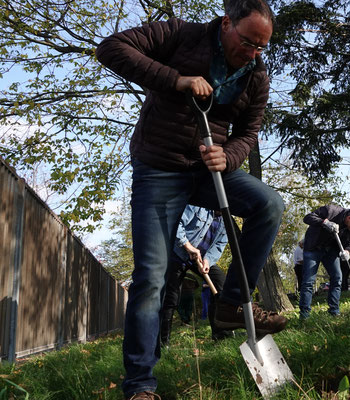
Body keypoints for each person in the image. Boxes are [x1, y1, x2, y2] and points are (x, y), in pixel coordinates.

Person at [95, 1, 285, 398]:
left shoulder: (256, 74)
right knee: (151, 278)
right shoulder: (181, 34)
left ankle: (231, 305)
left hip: (207, 170)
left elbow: (249, 133)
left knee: (268, 204)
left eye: (260, 47)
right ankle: (140, 385)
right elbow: (111, 48)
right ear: (227, 23)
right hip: (159, 169)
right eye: (247, 42)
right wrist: (177, 79)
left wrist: (228, 155)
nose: (252, 53)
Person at [159, 205, 233, 347]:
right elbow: (176, 223)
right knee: (171, 296)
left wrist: (208, 261)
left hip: (201, 258)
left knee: (220, 284)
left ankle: (220, 334)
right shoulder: (198, 207)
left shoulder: (225, 221)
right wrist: (188, 247)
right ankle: (163, 342)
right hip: (178, 253)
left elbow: (219, 245)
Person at [299, 206, 350, 319]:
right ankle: (304, 315)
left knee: (337, 278)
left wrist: (347, 251)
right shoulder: (331, 211)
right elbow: (307, 218)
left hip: (331, 250)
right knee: (308, 281)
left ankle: (334, 311)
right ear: (349, 218)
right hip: (313, 247)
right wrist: (324, 222)